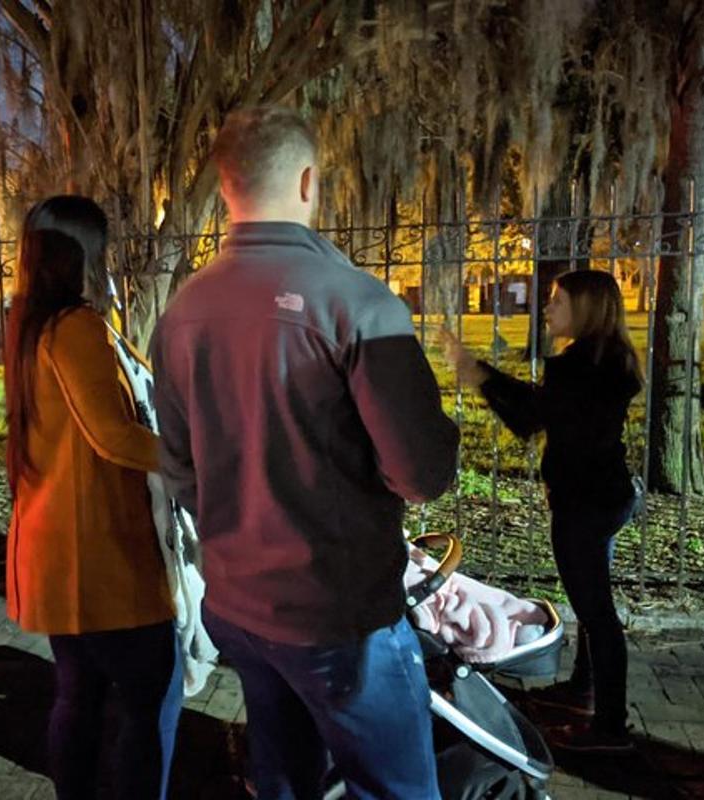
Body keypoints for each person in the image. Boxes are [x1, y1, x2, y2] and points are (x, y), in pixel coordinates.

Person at [151, 106, 459, 799]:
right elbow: (421, 473)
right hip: (338, 614)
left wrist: (238, 526)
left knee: (284, 776)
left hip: (236, 602)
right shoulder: (355, 303)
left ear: (227, 186)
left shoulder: (182, 311)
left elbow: (177, 465)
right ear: (310, 180)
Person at [4, 196, 181, 800]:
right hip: (103, 556)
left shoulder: (28, 323)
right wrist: (202, 460)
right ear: (84, 252)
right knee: (150, 701)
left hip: (59, 550)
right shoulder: (74, 326)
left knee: (78, 694)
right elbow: (113, 436)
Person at [440, 269, 642, 753]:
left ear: (587, 309)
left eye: (557, 301)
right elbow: (545, 409)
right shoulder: (609, 361)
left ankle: (610, 729)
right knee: (595, 605)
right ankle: (584, 686)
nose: (547, 309)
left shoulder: (579, 368)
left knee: (598, 613)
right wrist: (481, 373)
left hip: (584, 505)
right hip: (608, 496)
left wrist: (477, 374)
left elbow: (531, 417)